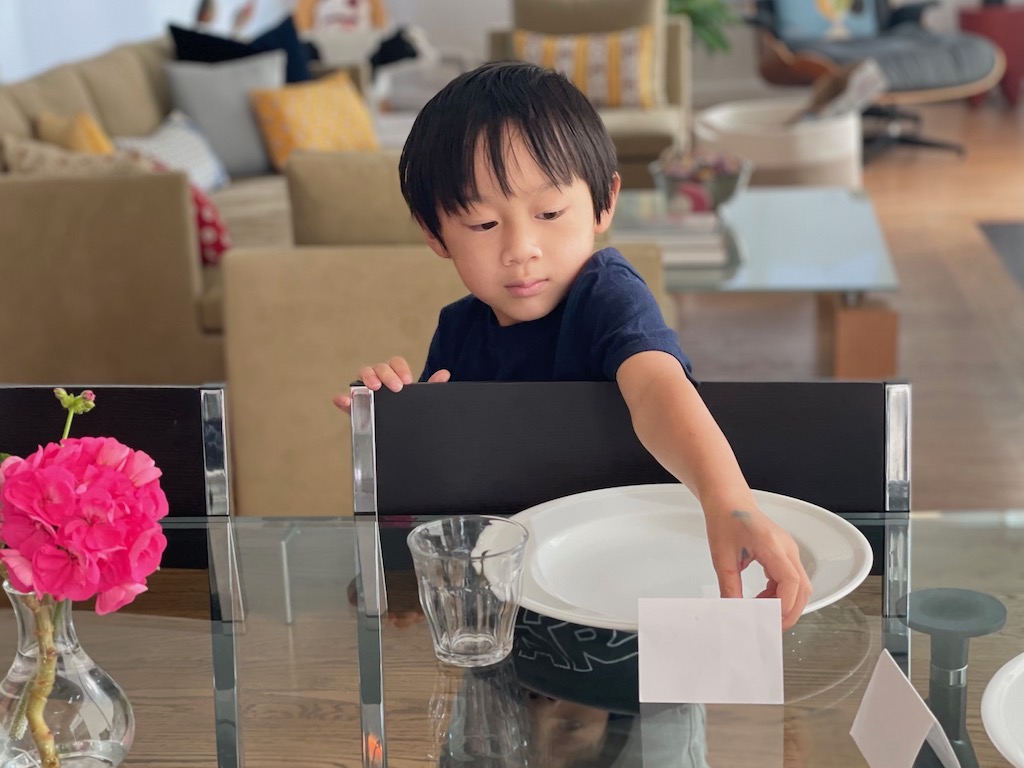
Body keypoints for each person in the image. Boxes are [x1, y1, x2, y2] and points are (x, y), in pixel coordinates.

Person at [333, 61, 812, 630]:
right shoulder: (457, 330)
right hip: (517, 609)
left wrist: (730, 503)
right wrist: (406, 426)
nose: (521, 248)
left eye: (550, 213)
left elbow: (659, 387)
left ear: (604, 202)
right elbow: (458, 503)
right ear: (435, 232)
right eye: (483, 224)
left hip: (632, 599)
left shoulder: (606, 294)